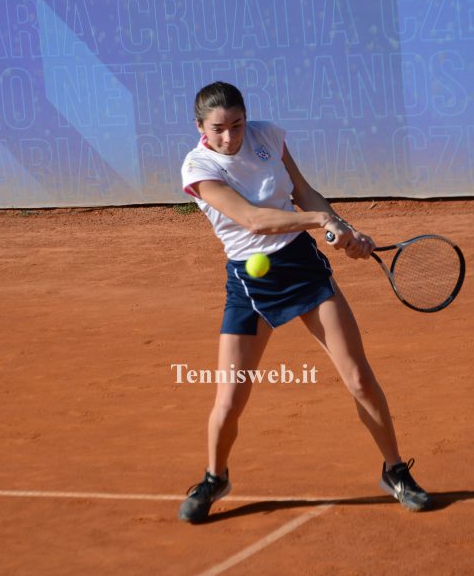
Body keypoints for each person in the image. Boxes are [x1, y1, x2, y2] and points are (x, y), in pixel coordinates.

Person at [177, 81, 430, 523]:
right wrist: (320, 219)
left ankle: (395, 471)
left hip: (301, 265)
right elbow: (253, 220)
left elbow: (304, 191)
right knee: (230, 399)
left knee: (358, 377)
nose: (229, 136)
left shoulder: (267, 136)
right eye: (218, 128)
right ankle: (215, 476)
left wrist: (342, 227)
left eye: (236, 124)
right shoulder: (197, 167)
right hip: (250, 283)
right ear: (200, 127)